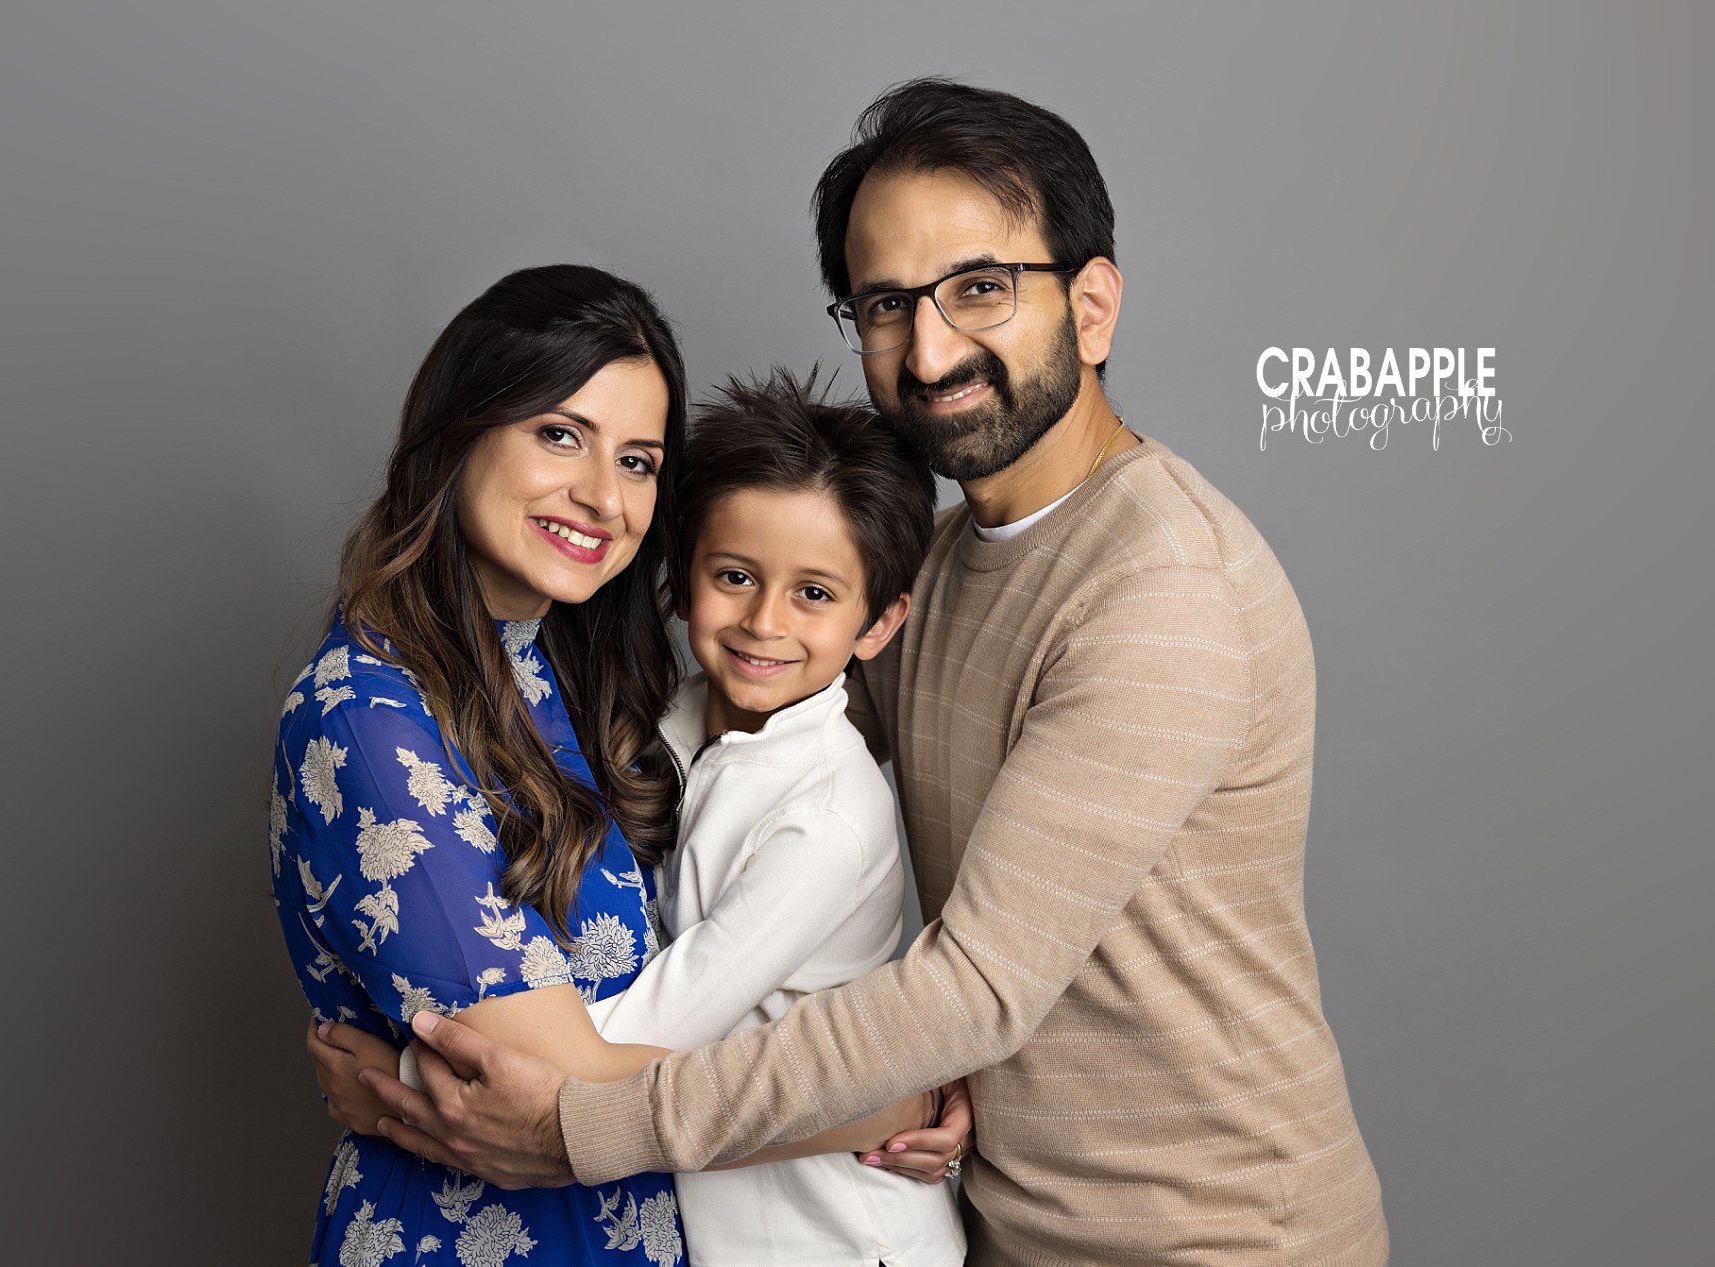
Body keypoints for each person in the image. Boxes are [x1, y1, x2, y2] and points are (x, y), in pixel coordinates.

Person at [355, 80, 1390, 1266]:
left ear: (1092, 306)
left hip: (1212, 1236)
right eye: (888, 304)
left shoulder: (1160, 592)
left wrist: (568, 1125)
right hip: (996, 1218)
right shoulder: (930, 571)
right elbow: (752, 747)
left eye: (980, 287)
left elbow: (971, 990)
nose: (930, 349)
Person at [315, 367, 972, 1265]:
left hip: (835, 1235)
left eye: (815, 594)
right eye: (734, 576)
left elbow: (634, 1036)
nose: (764, 621)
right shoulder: (654, 724)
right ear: (683, 577)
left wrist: (394, 1074)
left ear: (879, 623)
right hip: (710, 1218)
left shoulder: (828, 820)